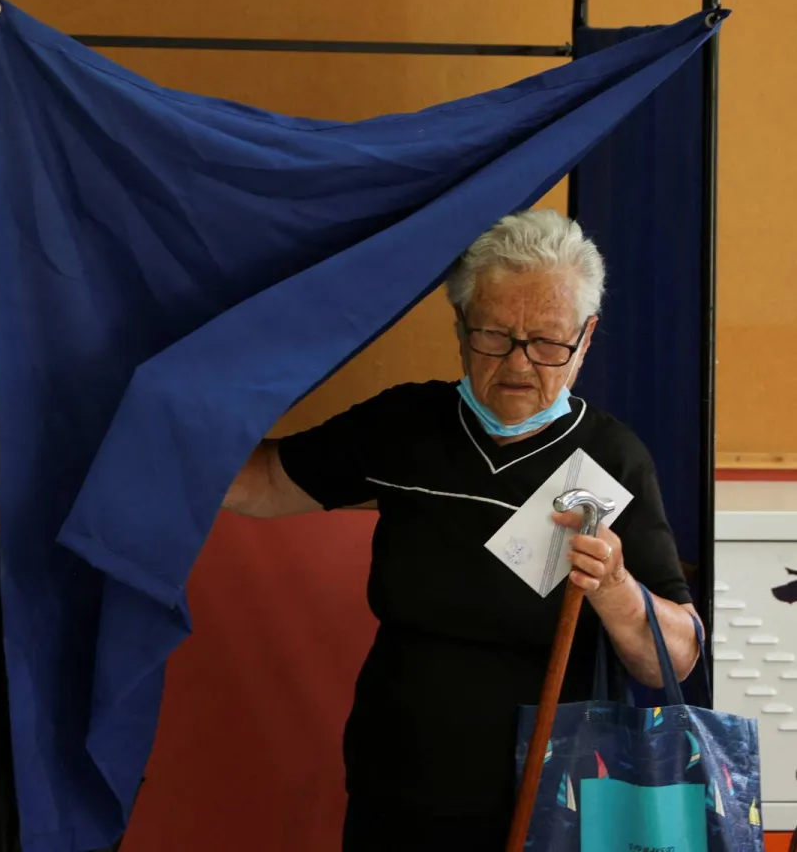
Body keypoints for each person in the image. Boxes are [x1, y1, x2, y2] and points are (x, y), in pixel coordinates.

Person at [222, 208, 702, 850]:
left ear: (586, 338)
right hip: (395, 785)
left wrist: (614, 586)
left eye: (548, 341)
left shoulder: (611, 459)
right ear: (460, 327)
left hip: (549, 804)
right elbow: (265, 483)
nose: (519, 364)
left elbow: (676, 655)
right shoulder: (404, 426)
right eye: (495, 336)